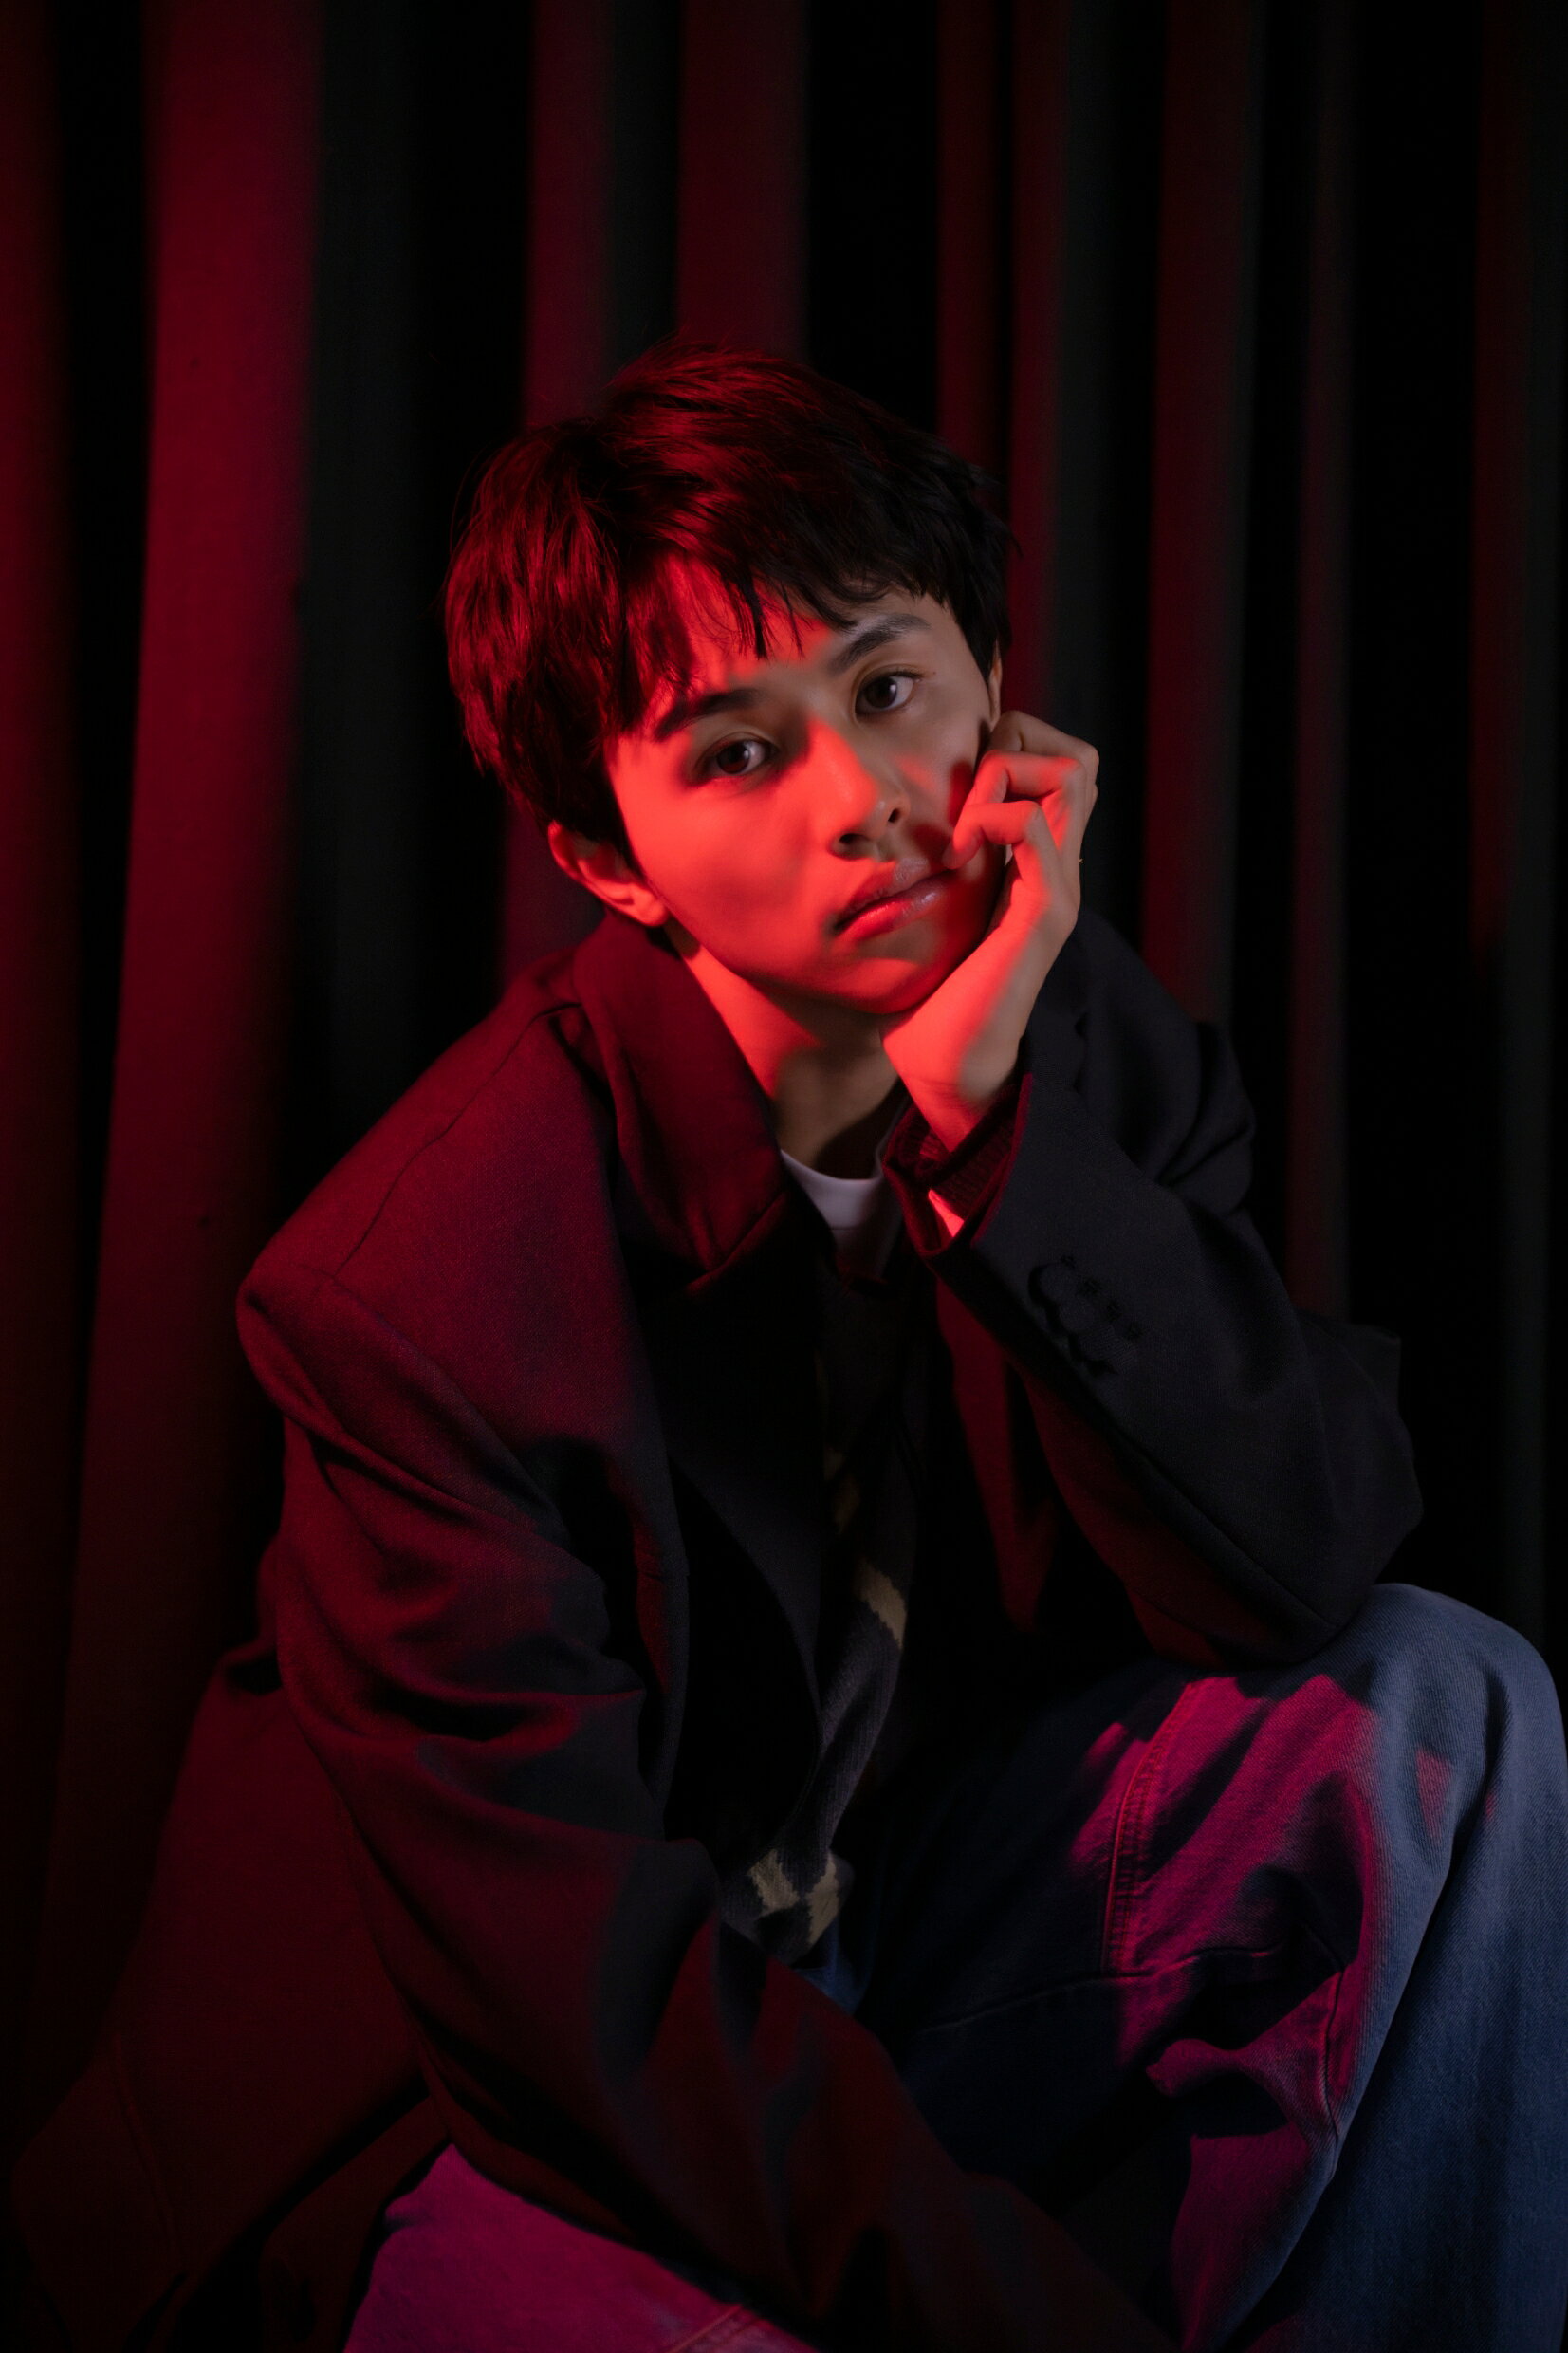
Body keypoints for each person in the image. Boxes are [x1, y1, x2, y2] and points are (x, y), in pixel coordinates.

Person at [15, 343, 1567, 2353]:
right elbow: (581, 2003)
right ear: (605, 856)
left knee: (1448, 1694)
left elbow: (1294, 1559)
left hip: (897, 1932)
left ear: (994, 689)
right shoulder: (418, 1294)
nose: (860, 805)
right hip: (493, 2096)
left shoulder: (1077, 1037)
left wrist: (993, 1139)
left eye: (888, 690)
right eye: (737, 753)